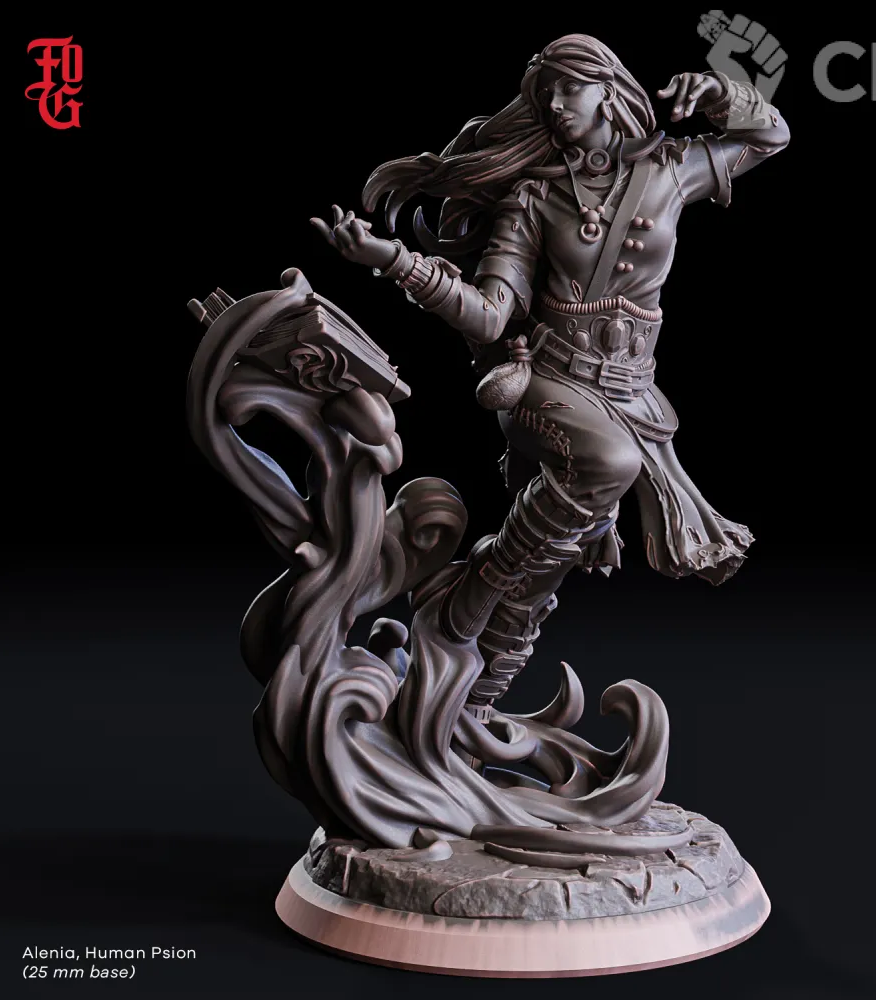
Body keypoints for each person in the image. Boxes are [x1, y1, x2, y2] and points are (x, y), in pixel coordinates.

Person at [315, 34, 789, 756]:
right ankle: (470, 597)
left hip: (630, 392)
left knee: (554, 560)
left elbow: (770, 136)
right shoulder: (533, 198)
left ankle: (472, 702)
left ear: (608, 90)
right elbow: (488, 316)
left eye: (570, 88)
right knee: (608, 464)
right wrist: (396, 261)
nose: (557, 105)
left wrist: (722, 92)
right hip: (546, 382)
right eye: (546, 95)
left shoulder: (667, 170)